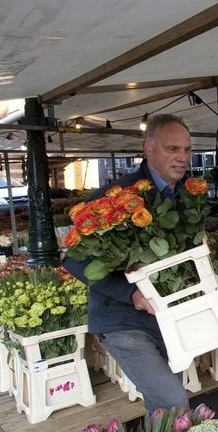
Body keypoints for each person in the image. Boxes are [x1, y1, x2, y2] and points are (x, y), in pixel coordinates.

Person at [63, 114, 193, 413]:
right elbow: (72, 259)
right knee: (173, 402)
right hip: (122, 320)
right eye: (173, 149)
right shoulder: (116, 199)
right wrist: (131, 293)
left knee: (163, 405)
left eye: (187, 150)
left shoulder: (185, 196)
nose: (182, 157)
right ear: (148, 149)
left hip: (165, 317)